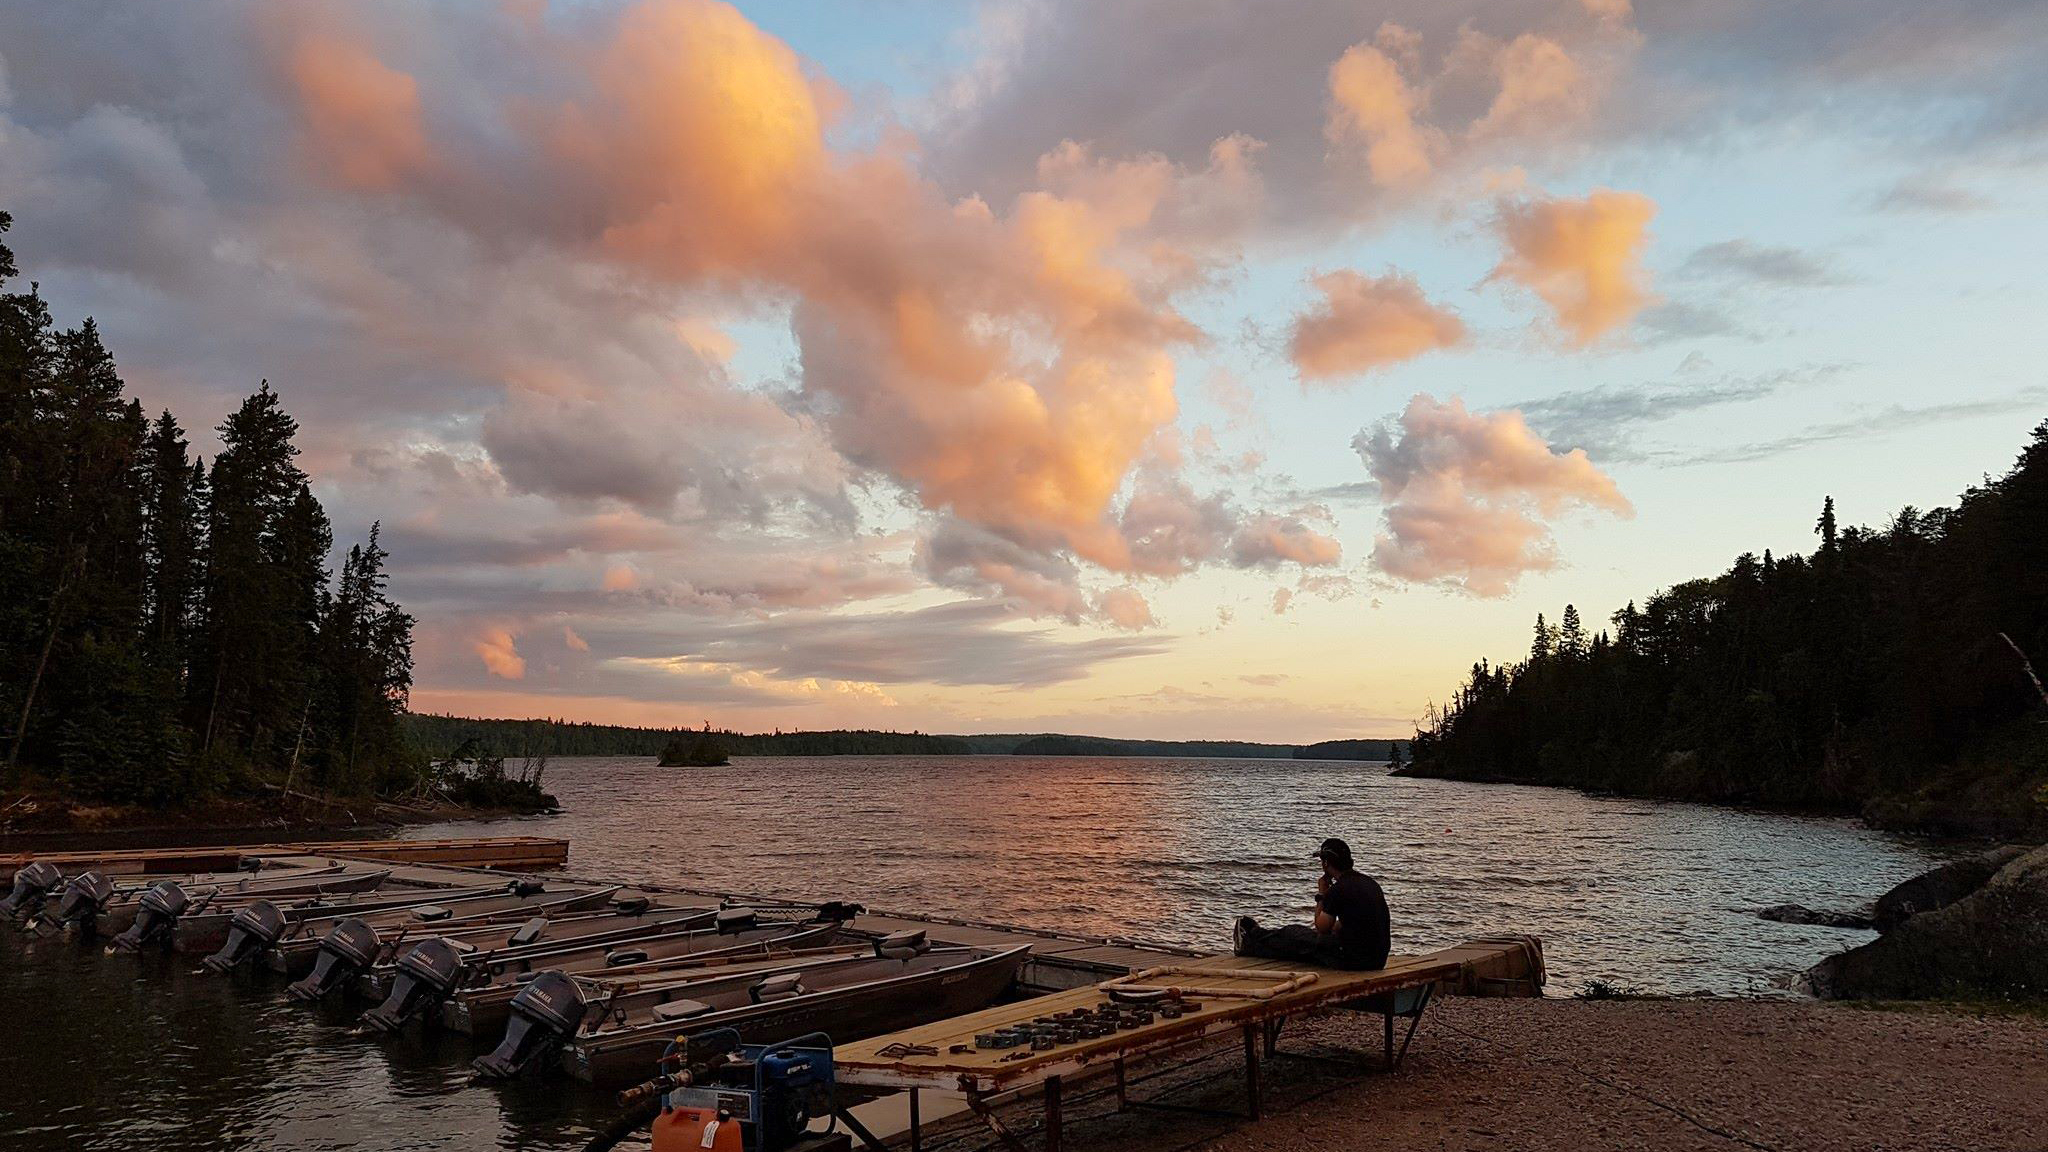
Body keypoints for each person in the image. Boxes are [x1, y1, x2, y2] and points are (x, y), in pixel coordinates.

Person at [1233, 837, 1389, 970]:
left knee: (1294, 935)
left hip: (1353, 960)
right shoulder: (1369, 883)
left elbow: (1321, 928)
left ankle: (1250, 939)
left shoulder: (1339, 889)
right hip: (1377, 960)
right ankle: (1254, 937)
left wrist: (1322, 894)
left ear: (1326, 863)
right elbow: (1346, 924)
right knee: (1305, 943)